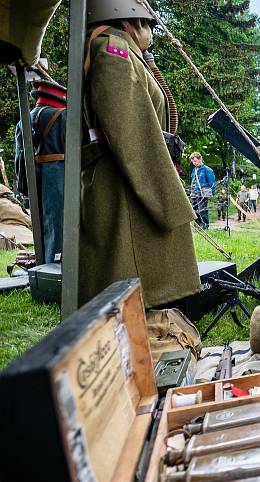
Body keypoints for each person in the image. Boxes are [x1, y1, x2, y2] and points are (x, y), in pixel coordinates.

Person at [79, 0, 200, 307]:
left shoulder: (125, 50)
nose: (149, 33)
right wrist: (168, 196)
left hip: (129, 178)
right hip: (124, 184)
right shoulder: (111, 49)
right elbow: (127, 124)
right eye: (145, 25)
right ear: (130, 21)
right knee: (128, 287)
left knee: (141, 284)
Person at [14, 79, 67, 264]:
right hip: (59, 176)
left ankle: (42, 263)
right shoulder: (63, 116)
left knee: (39, 222)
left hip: (33, 176)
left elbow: (18, 157)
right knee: (58, 223)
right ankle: (56, 265)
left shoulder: (24, 119)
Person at [189, 152, 216, 229]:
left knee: (202, 210)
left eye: (195, 161)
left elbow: (212, 183)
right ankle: (198, 225)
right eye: (192, 162)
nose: (194, 163)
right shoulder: (194, 169)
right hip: (194, 193)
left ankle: (205, 226)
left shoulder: (208, 170)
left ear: (200, 159)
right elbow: (193, 181)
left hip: (202, 194)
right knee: (195, 210)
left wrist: (211, 193)